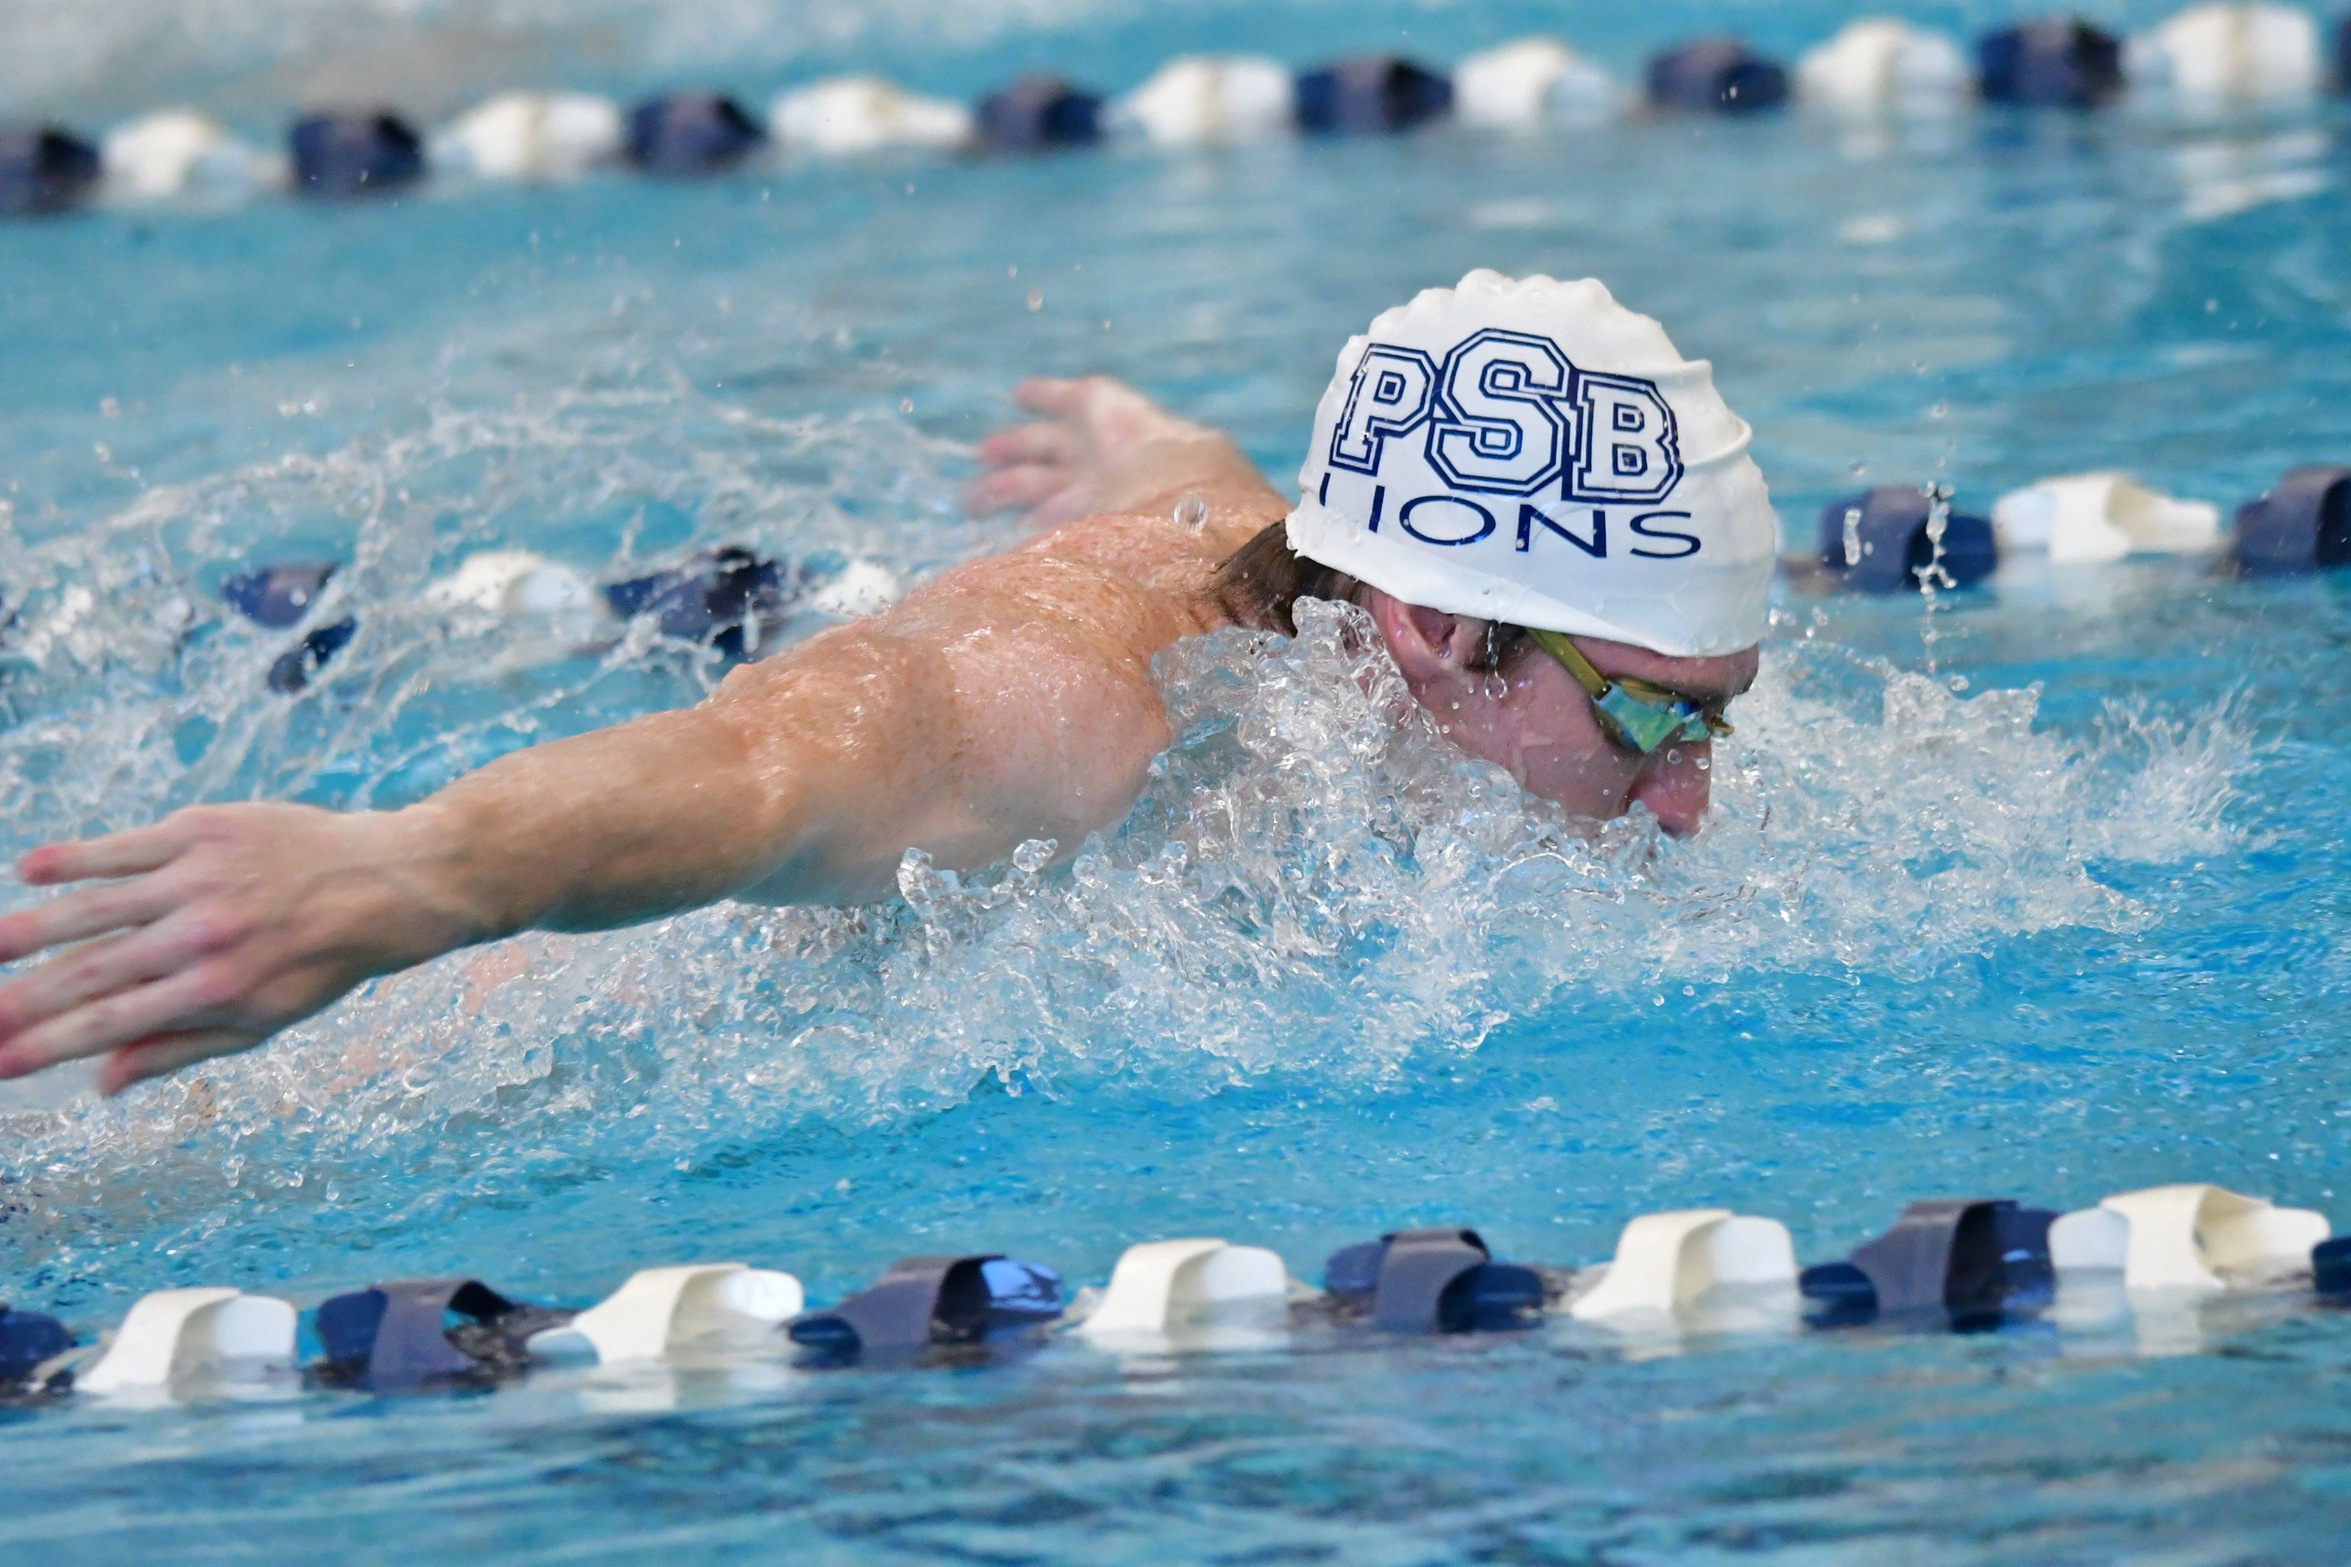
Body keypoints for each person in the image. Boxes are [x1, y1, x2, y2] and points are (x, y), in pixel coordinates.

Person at [0, 270, 1774, 1094]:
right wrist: (407, 876)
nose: (1689, 796)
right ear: (1434, 629)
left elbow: (1211, 477)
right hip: (374, 1045)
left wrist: (1120, 433)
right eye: (1651, 712)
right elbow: (762, 766)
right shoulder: (1069, 708)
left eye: (1713, 713)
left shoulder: (1288, 560)